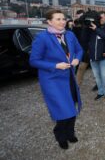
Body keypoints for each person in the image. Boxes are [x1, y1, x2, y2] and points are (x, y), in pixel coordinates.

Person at [29, 9, 83, 149]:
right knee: (61, 109)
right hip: (52, 80)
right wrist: (55, 65)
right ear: (49, 22)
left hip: (69, 77)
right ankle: (60, 136)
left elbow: (79, 50)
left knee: (72, 106)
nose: (62, 21)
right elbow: (34, 61)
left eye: (63, 19)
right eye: (58, 19)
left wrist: (77, 58)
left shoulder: (70, 35)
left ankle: (70, 133)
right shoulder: (42, 38)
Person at [82, 11, 105, 102]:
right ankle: (100, 92)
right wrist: (85, 27)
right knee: (97, 77)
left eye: (103, 17)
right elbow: (84, 39)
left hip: (103, 57)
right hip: (93, 57)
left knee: (104, 76)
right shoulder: (91, 29)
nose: (101, 19)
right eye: (99, 17)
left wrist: (96, 29)